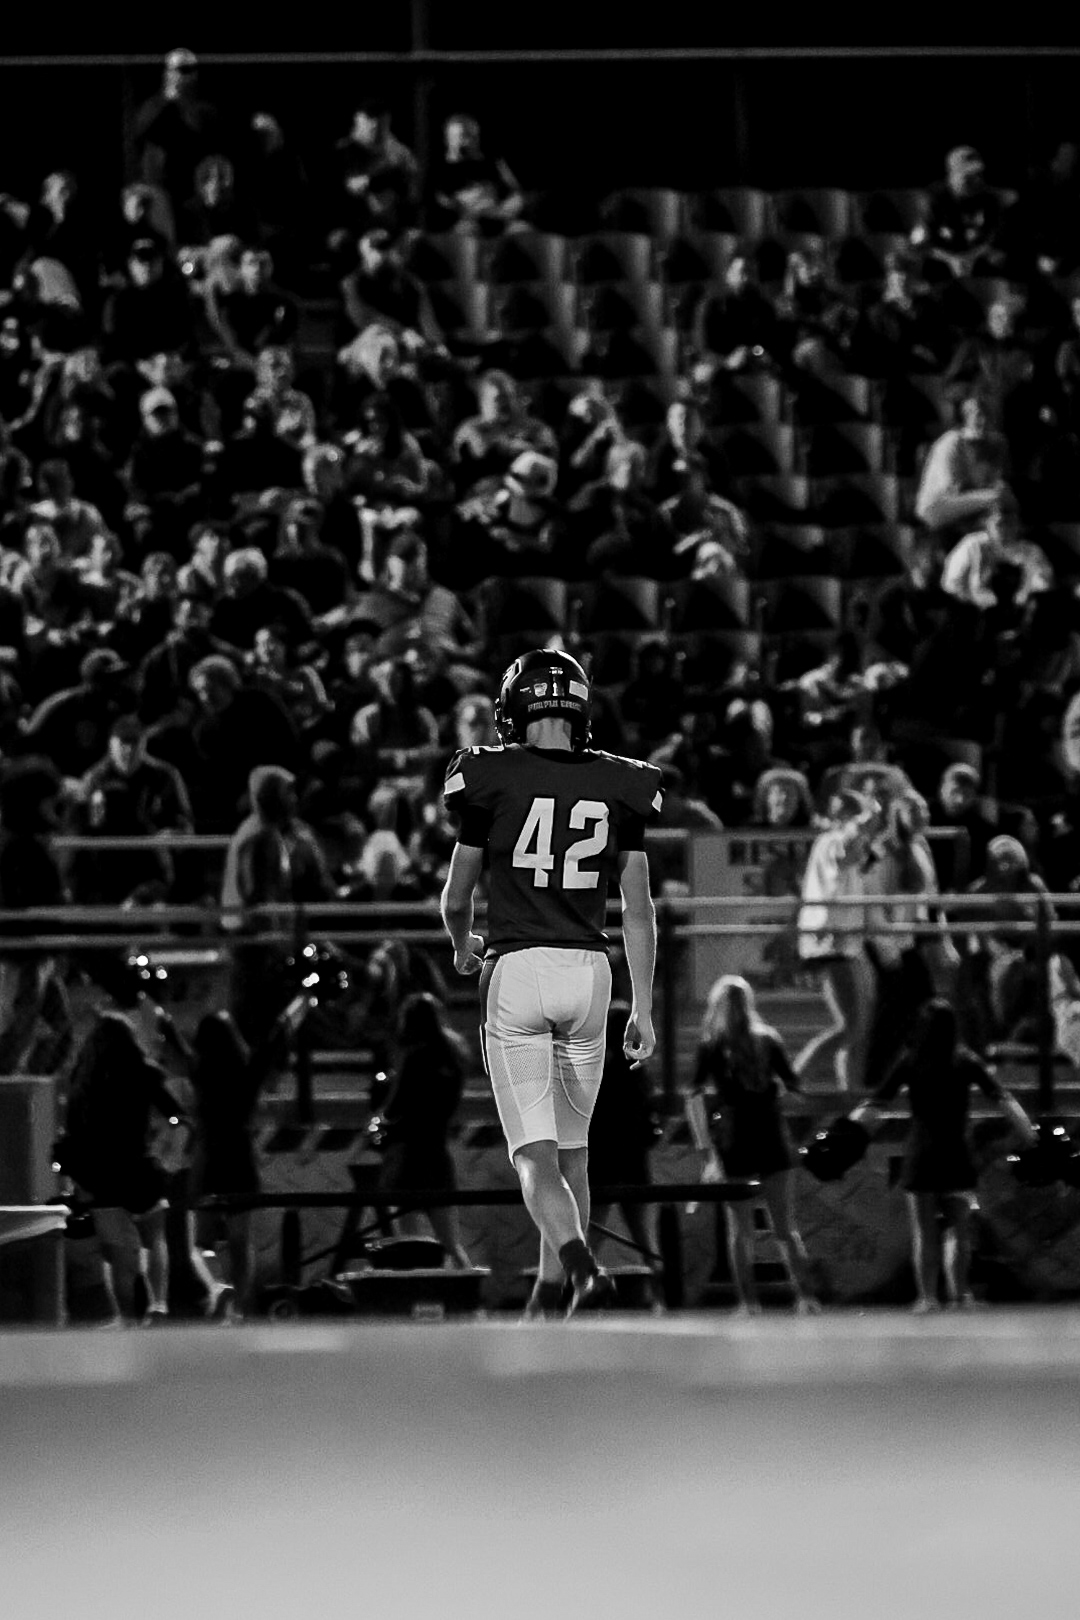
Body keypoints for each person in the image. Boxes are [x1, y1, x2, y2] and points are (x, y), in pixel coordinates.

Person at [440, 646, 662, 1318]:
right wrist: (644, 1008)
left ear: (514, 707)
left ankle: (581, 1268)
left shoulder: (487, 774)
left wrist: (461, 946)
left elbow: (457, 897)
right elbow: (640, 910)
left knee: (534, 1157)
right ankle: (546, 1297)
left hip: (519, 968)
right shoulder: (622, 782)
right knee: (574, 1158)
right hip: (590, 974)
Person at [849, 999, 1036, 1312]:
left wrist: (850, 1130)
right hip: (956, 1152)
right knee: (959, 1230)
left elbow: (876, 1103)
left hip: (921, 1152)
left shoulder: (911, 1060)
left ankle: (927, 1297)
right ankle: (960, 1294)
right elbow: (1003, 1099)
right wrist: (1028, 1134)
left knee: (924, 1232)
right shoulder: (965, 1060)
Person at [686, 975, 819, 1315]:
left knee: (740, 1231)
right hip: (771, 1133)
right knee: (785, 1228)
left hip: (735, 1137)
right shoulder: (769, 1040)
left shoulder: (713, 1044)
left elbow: (695, 1094)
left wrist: (705, 1146)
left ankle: (749, 1303)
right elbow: (794, 1086)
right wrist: (773, 1094)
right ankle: (806, 1298)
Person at [54, 1011, 185, 1325]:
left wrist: (71, 1175)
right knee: (155, 1238)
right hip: (140, 1171)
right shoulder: (143, 1071)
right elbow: (177, 1116)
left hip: (101, 1178)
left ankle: (129, 1321)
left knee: (120, 1259)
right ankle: (159, 1305)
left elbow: (70, 1134)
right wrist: (169, 1152)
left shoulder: (83, 1081)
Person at [373, 991, 473, 1269]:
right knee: (450, 1243)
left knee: (410, 1242)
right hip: (438, 1154)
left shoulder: (414, 1058)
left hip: (408, 1157)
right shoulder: (454, 1059)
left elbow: (393, 1109)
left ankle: (414, 1299)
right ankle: (470, 1298)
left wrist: (377, 1124)